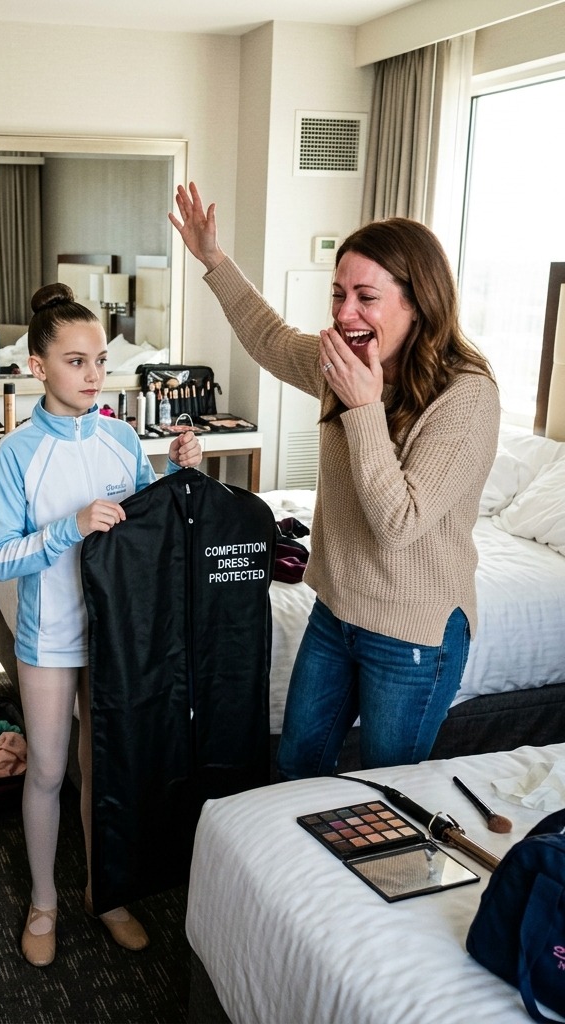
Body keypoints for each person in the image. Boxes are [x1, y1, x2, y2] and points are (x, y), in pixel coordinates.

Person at [169, 182, 500, 779]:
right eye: (339, 294)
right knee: (298, 764)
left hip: (412, 633)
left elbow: (399, 524)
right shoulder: (343, 363)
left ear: (418, 303)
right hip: (336, 609)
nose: (345, 313)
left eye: (366, 297)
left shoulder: (466, 395)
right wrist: (215, 261)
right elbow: (269, 339)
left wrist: (364, 408)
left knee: (386, 791)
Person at [0, 283, 203, 968]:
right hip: (49, 636)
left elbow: (145, 527)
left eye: (99, 360)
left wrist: (177, 477)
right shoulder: (17, 453)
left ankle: (103, 893)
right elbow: (1, 554)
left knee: (100, 768)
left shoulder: (121, 438)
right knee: (48, 769)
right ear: (38, 366)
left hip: (113, 634)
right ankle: (44, 899)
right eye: (75, 361)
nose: (91, 374)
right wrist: (67, 529)